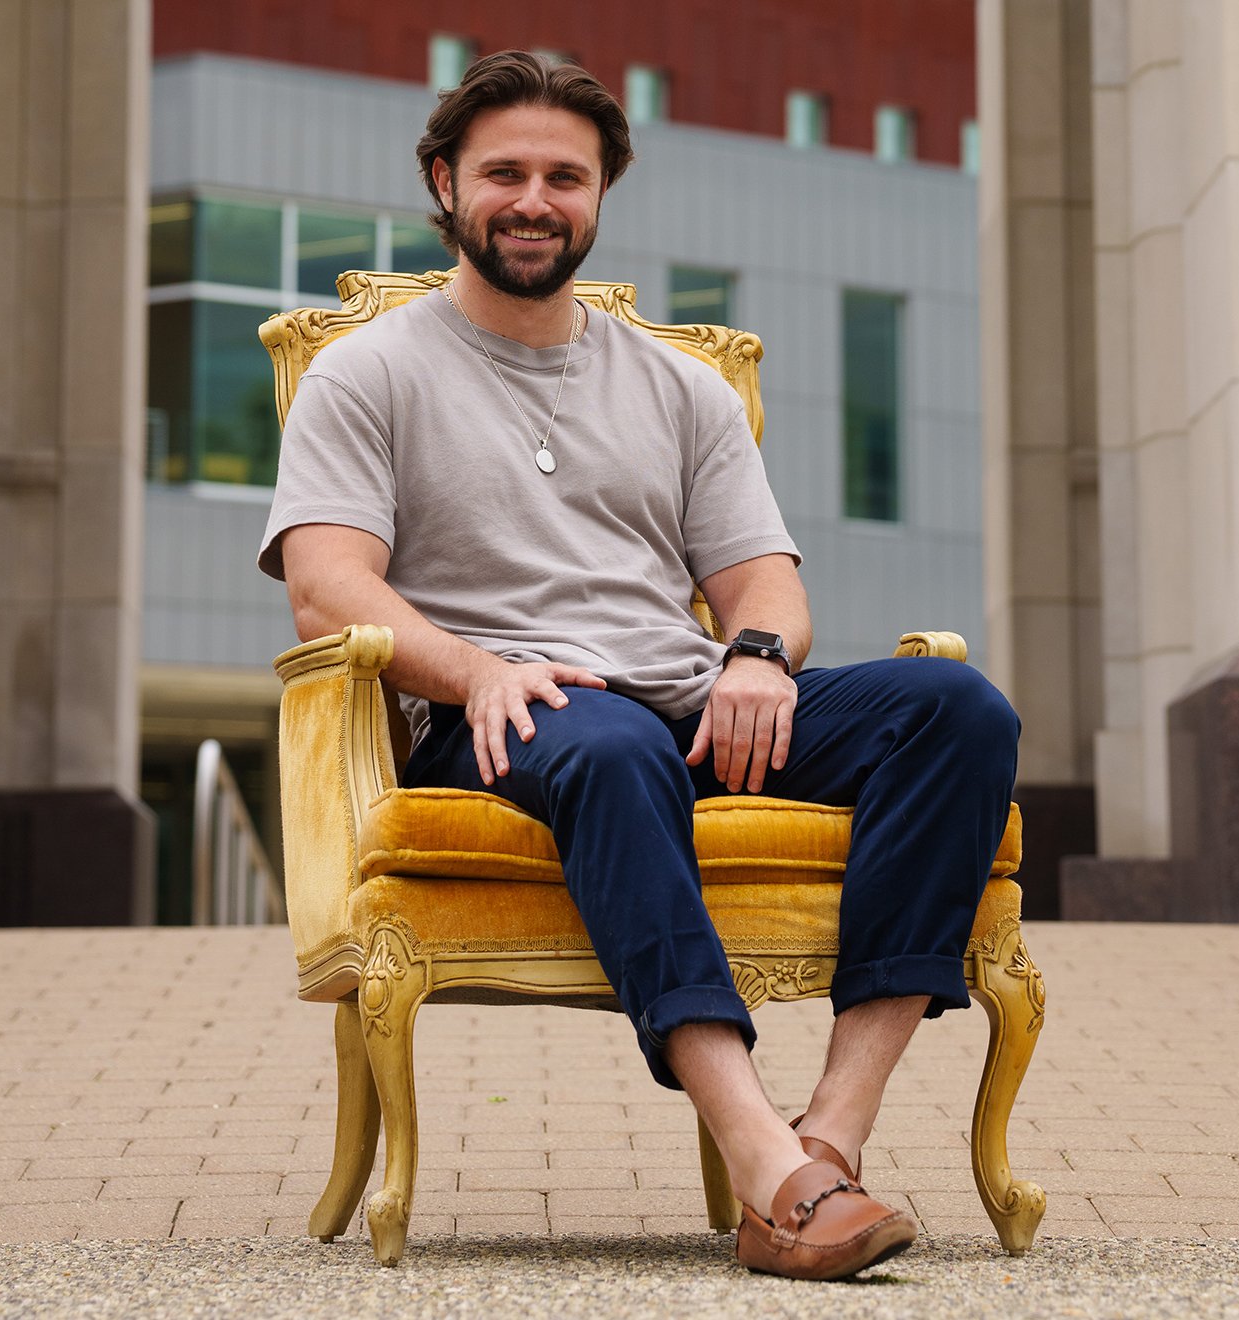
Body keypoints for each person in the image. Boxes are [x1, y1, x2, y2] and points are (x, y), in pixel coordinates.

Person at [258, 50, 1018, 1282]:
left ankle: (831, 1133)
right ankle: (760, 1153)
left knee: (955, 710)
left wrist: (761, 658)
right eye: (503, 171)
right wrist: (478, 671)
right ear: (446, 183)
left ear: (600, 194)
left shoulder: (681, 388)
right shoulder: (370, 372)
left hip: (685, 703)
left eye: (566, 175)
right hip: (506, 718)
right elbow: (325, 585)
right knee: (606, 741)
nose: (533, 198)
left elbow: (762, 580)